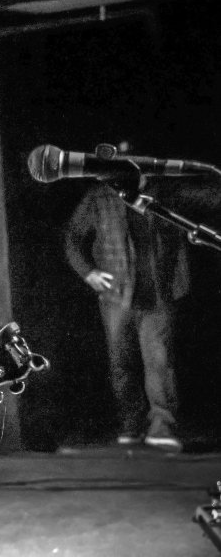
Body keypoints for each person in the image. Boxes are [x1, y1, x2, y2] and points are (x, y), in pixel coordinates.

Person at [64, 181, 189, 451]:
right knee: (122, 363)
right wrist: (88, 272)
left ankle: (162, 426)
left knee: (160, 362)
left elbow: (179, 237)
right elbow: (73, 236)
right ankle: (132, 424)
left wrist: (179, 282)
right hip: (117, 297)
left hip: (158, 295)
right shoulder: (100, 196)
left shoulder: (162, 194)